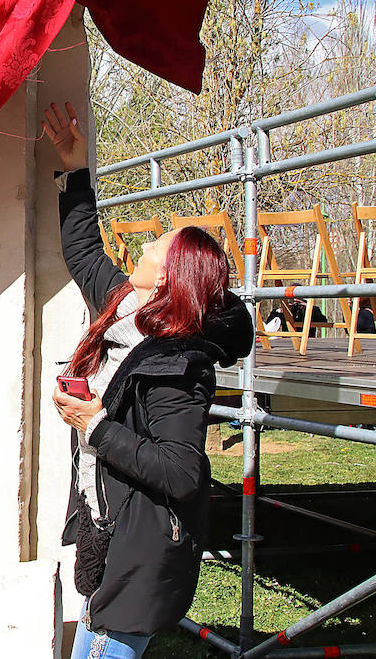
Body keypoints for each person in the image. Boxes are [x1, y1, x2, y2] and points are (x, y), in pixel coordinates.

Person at [42, 103, 252, 659]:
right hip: (110, 534)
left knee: (108, 647)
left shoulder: (178, 365)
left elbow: (182, 472)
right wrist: (74, 167)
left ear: (168, 275)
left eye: (158, 242)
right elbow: (84, 251)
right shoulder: (128, 310)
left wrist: (97, 425)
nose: (145, 242)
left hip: (141, 551)